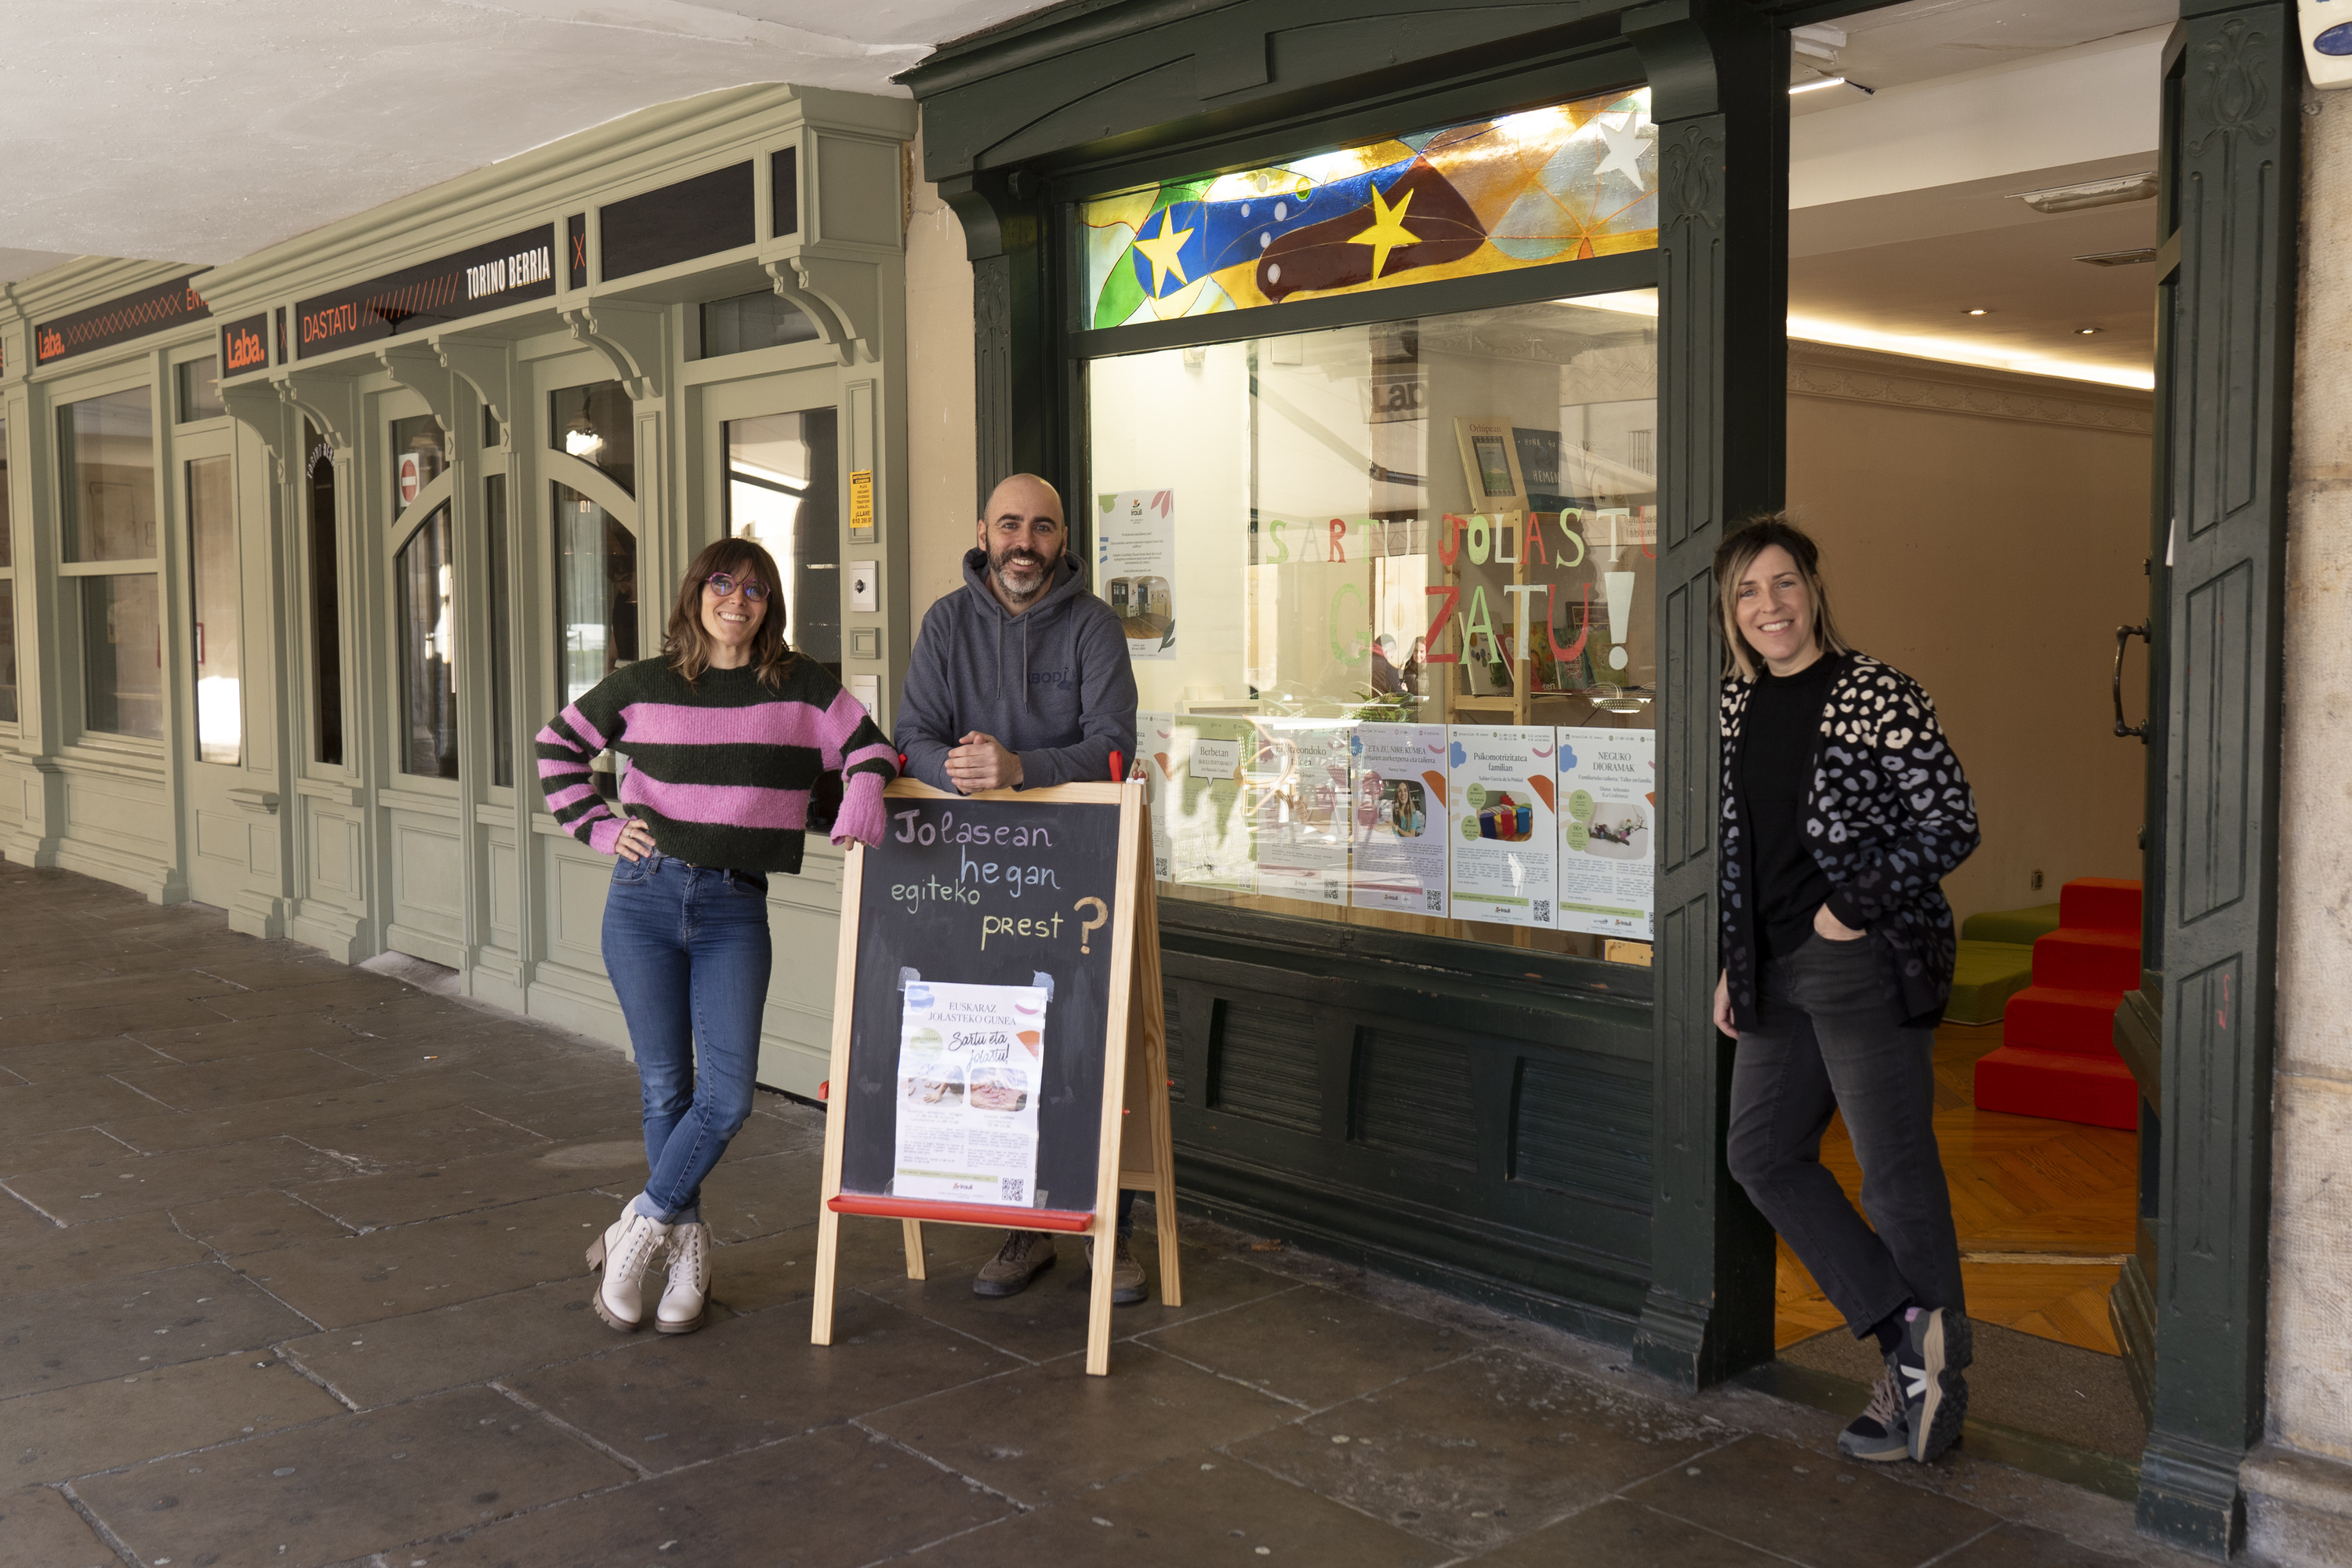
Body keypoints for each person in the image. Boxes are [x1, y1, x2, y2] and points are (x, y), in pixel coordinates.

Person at [539, 537, 897, 1334]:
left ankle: (637, 1227)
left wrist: (864, 788)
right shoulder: (642, 683)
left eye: (756, 589)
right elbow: (555, 746)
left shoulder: (801, 684)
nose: (737, 599)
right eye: (722, 583)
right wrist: (598, 829)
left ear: (770, 605)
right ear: (696, 592)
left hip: (734, 907)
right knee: (666, 1087)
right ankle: (685, 1243)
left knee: (727, 1094)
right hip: (643, 899)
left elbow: (871, 743)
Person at [1709, 515, 1980, 1466]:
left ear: (1814, 589)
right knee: (1761, 1154)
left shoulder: (1875, 692)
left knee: (1893, 1168)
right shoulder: (1738, 705)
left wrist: (1848, 910)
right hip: (1775, 967)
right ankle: (1912, 1336)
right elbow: (1748, 852)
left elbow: (1951, 821)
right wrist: (1733, 965)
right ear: (1730, 611)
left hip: (1858, 960)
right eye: (1748, 591)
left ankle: (1926, 1381)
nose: (1769, 606)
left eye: (1783, 584)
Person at [895, 471, 1146, 1303]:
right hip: (972, 880)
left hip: (1080, 877)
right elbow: (912, 737)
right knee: (1005, 1047)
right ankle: (1024, 1230)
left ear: (1062, 540)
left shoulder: (1095, 627)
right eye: (1010, 525)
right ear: (983, 531)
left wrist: (1020, 767)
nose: (1024, 543)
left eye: (1041, 528)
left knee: (1088, 1050)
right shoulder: (943, 623)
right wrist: (955, 769)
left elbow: (1114, 747)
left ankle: (1113, 1232)